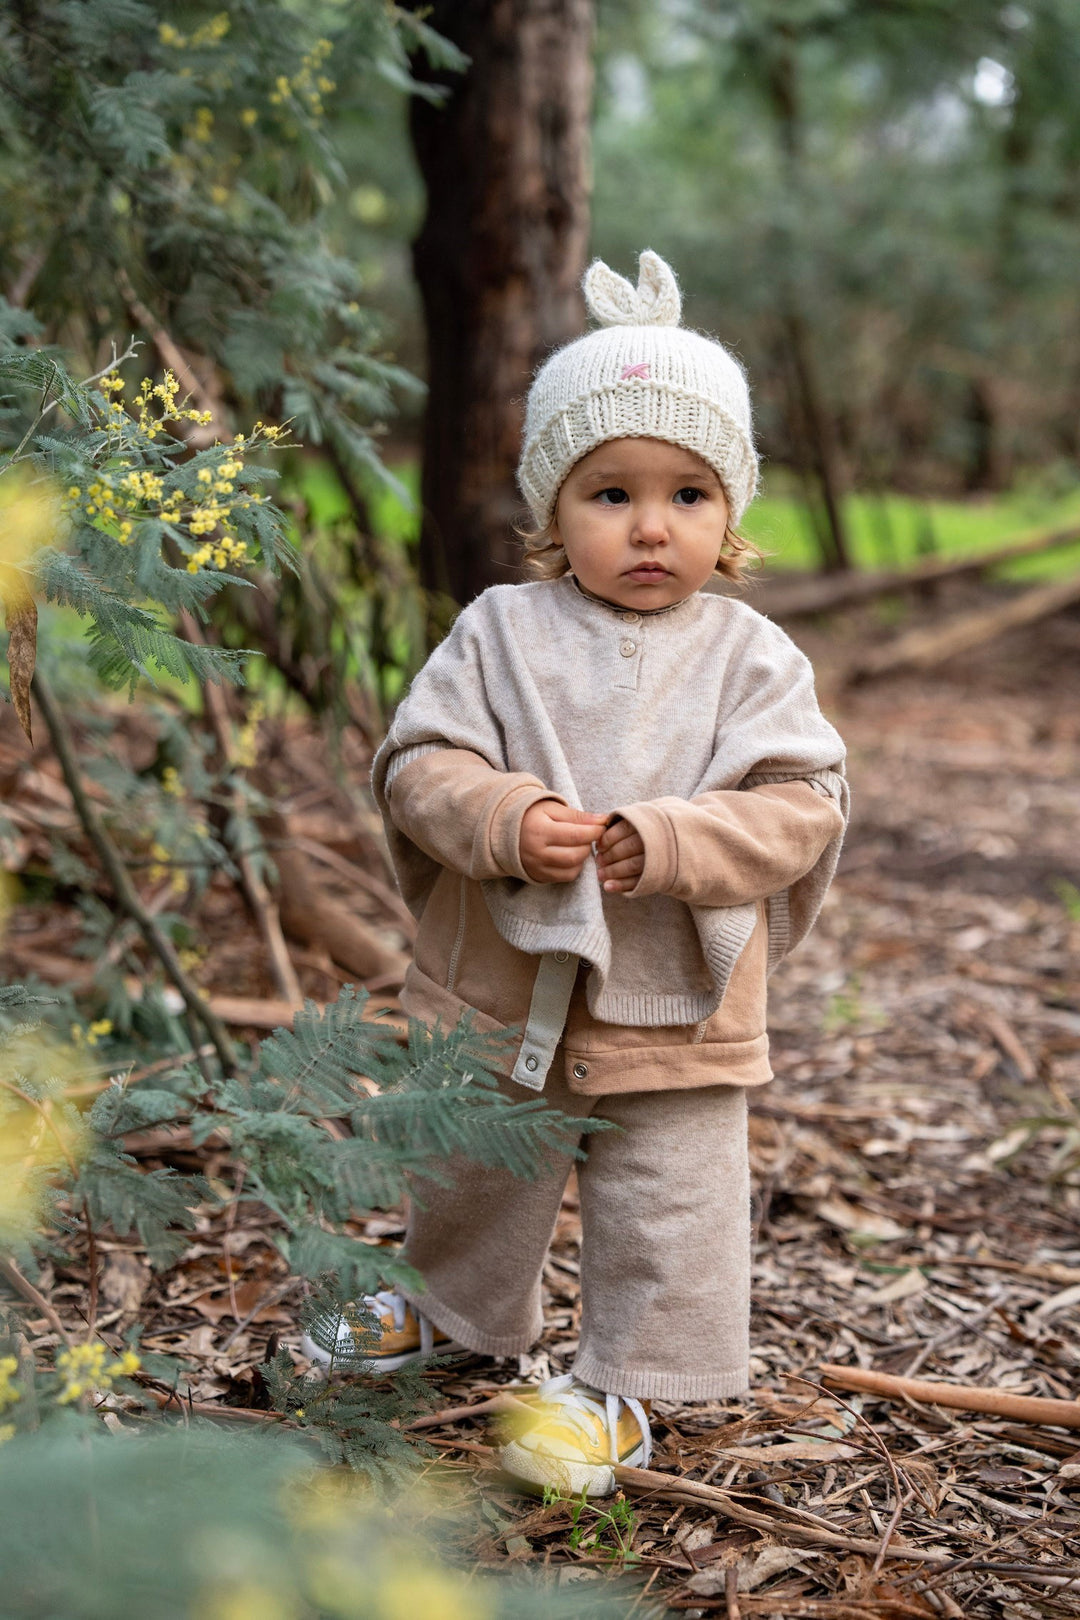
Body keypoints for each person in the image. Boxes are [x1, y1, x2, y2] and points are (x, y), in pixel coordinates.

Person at [304, 250, 849, 1498]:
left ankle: (624, 1389)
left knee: (672, 1199)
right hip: (516, 980)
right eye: (610, 492)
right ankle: (450, 1309)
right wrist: (507, 817)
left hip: (677, 994)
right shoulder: (499, 632)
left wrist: (673, 840)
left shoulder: (752, 658)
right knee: (475, 1163)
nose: (651, 526)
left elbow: (804, 808)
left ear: (733, 513)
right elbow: (417, 764)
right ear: (552, 510)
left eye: (690, 495)